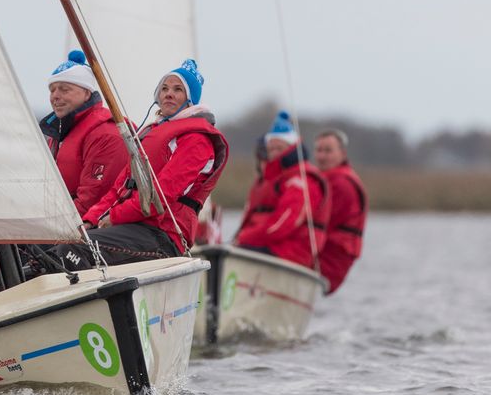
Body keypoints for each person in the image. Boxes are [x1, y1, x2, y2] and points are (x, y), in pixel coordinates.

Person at [48, 59, 229, 271]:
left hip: (163, 237)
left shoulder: (197, 140)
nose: (168, 94)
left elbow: (161, 195)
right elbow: (119, 187)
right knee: (53, 249)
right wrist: (90, 220)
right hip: (134, 228)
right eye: (164, 88)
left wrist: (114, 217)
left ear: (190, 99)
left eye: (178, 89)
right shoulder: (152, 133)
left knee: (73, 250)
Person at [39, 50, 129, 217]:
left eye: (64, 90)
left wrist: (48, 224)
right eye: (52, 90)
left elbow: (93, 199)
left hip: (85, 227)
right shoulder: (60, 131)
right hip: (56, 218)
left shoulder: (106, 134)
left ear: (87, 93)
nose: (55, 96)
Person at [236, 111, 329, 269]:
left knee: (239, 251)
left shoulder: (302, 180)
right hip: (272, 248)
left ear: (292, 147)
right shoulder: (274, 179)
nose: (274, 154)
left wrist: (245, 238)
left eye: (279, 148)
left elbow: (282, 223)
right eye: (271, 149)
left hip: (292, 253)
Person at [314, 129, 367, 294]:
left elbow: (318, 226)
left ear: (342, 154)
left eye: (328, 150)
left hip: (328, 262)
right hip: (319, 258)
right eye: (319, 150)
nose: (322, 156)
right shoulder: (325, 180)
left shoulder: (341, 185)